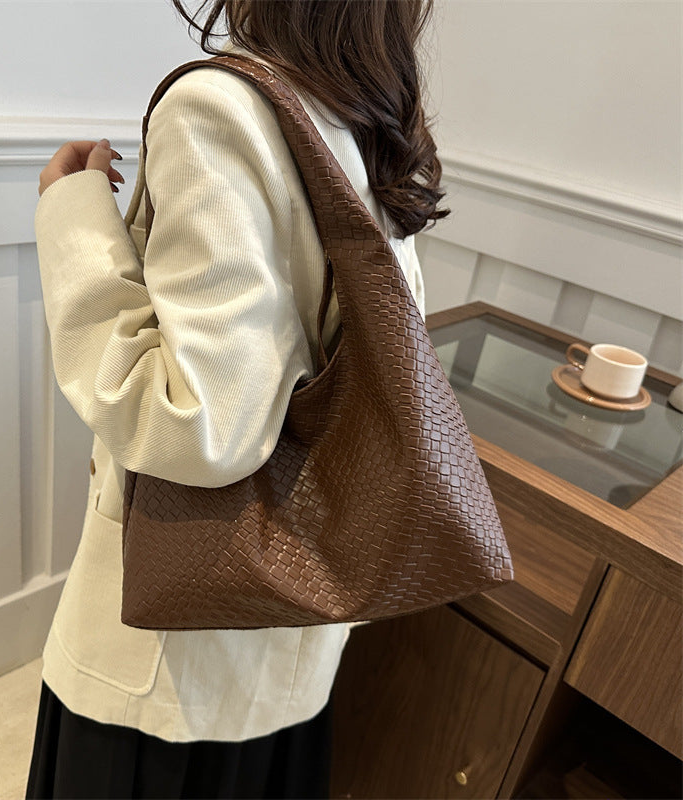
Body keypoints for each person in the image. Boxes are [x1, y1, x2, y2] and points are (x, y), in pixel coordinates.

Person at [26, 1, 447, 797]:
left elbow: (201, 428)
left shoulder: (217, 108)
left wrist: (73, 220)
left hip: (172, 673)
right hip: (291, 649)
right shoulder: (370, 123)